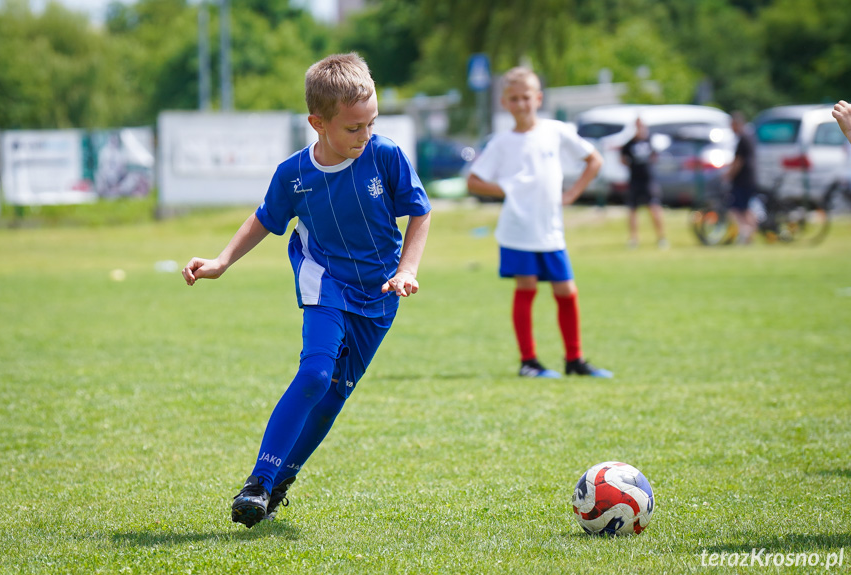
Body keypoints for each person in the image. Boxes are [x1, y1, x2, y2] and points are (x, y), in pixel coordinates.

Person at [181, 53, 431, 528]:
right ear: (318, 123)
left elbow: (420, 211)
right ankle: (257, 481)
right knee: (316, 375)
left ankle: (278, 486)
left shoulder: (386, 155)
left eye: (371, 123)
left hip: (379, 293)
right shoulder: (293, 174)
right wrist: (221, 262)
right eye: (353, 128)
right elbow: (264, 219)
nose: (365, 136)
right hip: (325, 279)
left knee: (335, 394)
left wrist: (407, 269)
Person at [466, 67, 612, 379]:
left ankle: (575, 360)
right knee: (527, 287)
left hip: (550, 230)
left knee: (566, 290)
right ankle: (528, 362)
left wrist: (572, 194)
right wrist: (505, 189)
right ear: (505, 102)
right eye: (514, 98)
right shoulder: (502, 143)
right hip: (517, 230)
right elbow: (474, 181)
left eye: (526, 97)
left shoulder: (556, 131)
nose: (521, 104)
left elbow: (594, 160)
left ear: (539, 98)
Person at [620, 118, 668, 249]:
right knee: (632, 210)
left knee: (654, 207)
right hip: (635, 180)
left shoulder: (650, 140)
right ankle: (633, 239)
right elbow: (623, 159)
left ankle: (661, 238)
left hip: (649, 180)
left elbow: (656, 155)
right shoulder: (629, 144)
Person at [724, 110, 757, 244]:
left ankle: (746, 233)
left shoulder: (743, 139)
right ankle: (749, 234)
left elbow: (738, 161)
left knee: (739, 208)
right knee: (746, 208)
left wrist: (728, 175)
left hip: (743, 179)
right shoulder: (749, 137)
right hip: (749, 178)